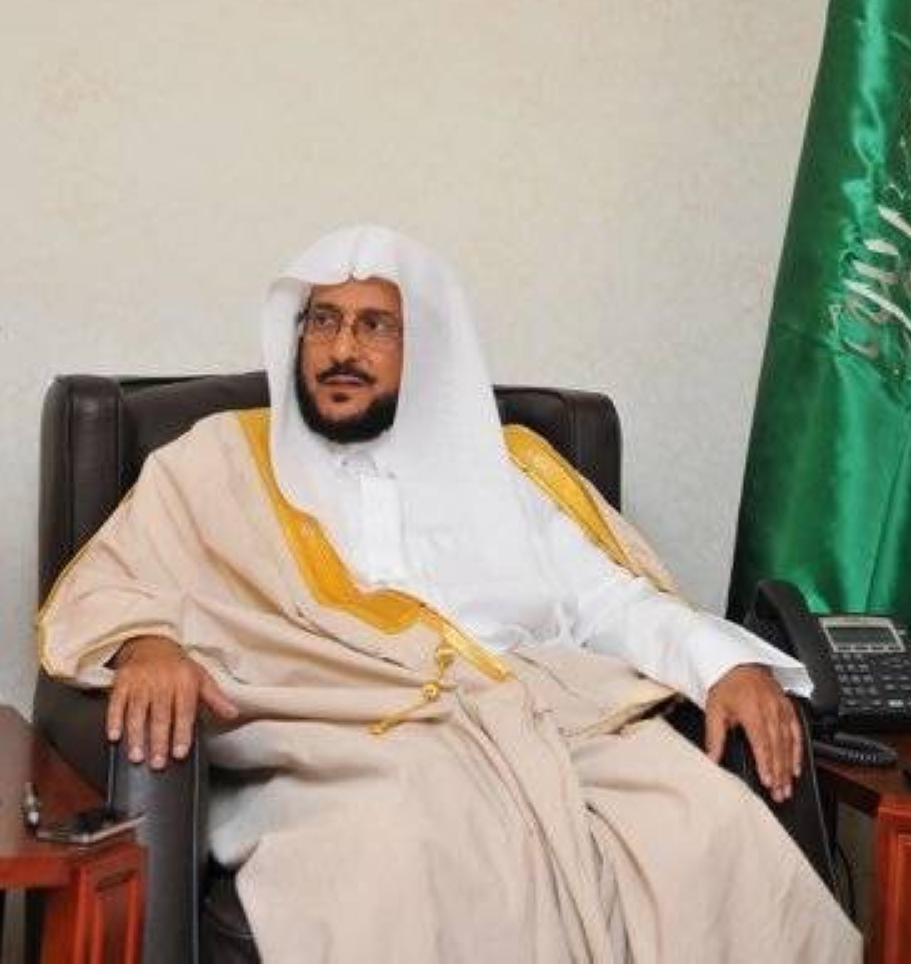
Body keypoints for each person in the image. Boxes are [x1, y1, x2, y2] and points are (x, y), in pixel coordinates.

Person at [38, 226, 860, 962]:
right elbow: (114, 578)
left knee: (708, 825)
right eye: (322, 321)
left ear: (423, 348)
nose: (341, 348)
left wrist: (725, 666)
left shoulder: (507, 470)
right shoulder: (217, 459)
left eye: (374, 326)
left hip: (542, 720)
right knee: (408, 846)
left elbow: (612, 602)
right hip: (341, 737)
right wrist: (148, 646)